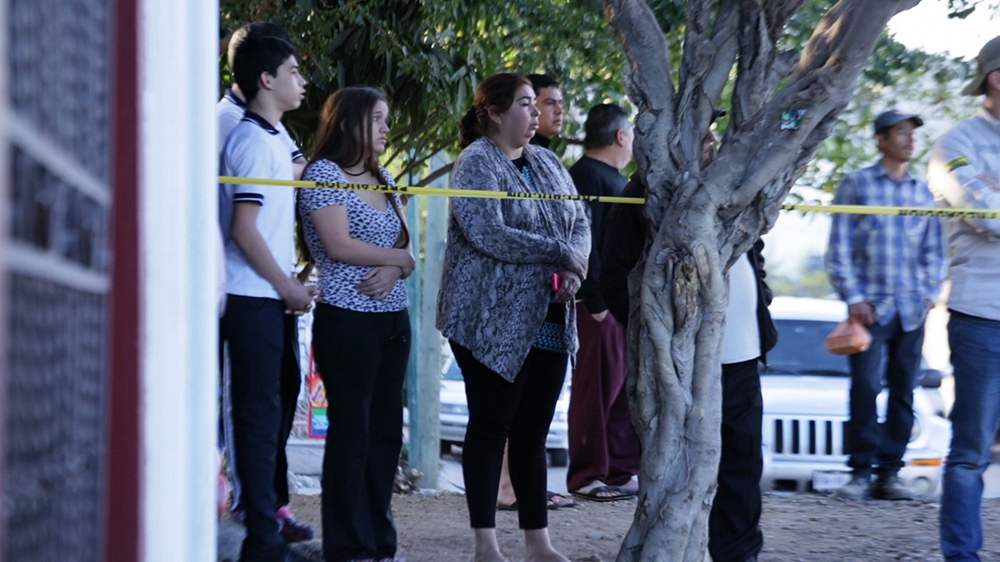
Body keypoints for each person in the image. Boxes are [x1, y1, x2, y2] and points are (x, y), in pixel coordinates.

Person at [600, 110, 778, 562]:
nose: (712, 140)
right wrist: (651, 335)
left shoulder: (737, 186)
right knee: (678, 466)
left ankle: (738, 554)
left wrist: (763, 295)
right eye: (701, 132)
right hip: (679, 362)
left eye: (713, 132)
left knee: (741, 461)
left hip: (741, 352)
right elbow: (614, 274)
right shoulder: (642, 192)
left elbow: (753, 253)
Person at [437, 72, 590, 562]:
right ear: (497, 113)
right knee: (490, 426)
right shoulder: (474, 162)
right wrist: (559, 253)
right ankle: (486, 544)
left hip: (548, 316)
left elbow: (579, 222)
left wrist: (573, 269)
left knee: (532, 432)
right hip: (486, 320)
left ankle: (537, 543)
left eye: (535, 104)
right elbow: (488, 232)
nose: (535, 113)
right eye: (525, 104)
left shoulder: (547, 162)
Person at [297, 87, 414, 562]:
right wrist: (399, 259)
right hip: (347, 320)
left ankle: (379, 540)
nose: (387, 128)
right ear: (348, 123)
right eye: (378, 119)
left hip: (393, 321)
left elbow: (408, 248)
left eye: (388, 118)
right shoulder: (323, 173)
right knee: (351, 434)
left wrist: (397, 265)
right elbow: (339, 245)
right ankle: (348, 545)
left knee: (386, 435)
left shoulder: (383, 174)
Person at [219, 34, 315, 562]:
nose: (303, 81)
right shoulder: (252, 142)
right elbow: (244, 228)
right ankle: (260, 535)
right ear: (266, 80)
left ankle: (266, 522)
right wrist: (286, 286)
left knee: (271, 411)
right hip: (250, 296)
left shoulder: (275, 135)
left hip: (268, 295)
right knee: (256, 418)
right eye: (295, 71)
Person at [825, 108, 946, 501]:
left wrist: (930, 292)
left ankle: (889, 475)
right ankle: (859, 472)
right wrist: (854, 297)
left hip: (912, 311)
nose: (909, 139)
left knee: (904, 392)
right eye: (900, 132)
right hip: (870, 312)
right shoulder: (857, 184)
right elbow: (839, 247)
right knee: (863, 388)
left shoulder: (921, 191)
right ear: (880, 139)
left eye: (912, 133)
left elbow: (935, 250)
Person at [929, 35, 1000, 562]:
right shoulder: (955, 143)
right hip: (983, 318)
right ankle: (962, 557)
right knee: (971, 452)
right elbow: (982, 213)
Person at [565, 103, 641, 502]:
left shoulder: (614, 179)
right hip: (598, 307)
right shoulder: (586, 177)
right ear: (621, 136)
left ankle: (618, 469)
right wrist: (595, 302)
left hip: (620, 306)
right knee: (595, 390)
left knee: (620, 391)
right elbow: (584, 242)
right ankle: (588, 474)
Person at [527, 74, 564, 149]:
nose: (559, 111)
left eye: (560, 103)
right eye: (549, 103)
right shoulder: (518, 153)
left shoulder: (544, 151)